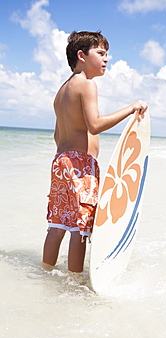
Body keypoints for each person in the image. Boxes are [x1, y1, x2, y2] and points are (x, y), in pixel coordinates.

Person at [42, 31, 148, 273]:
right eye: (100, 53)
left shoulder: (61, 92)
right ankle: (75, 282)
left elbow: (57, 136)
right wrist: (131, 109)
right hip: (80, 166)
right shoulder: (87, 84)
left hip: (60, 162)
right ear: (81, 55)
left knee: (57, 224)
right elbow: (95, 124)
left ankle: (44, 273)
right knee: (80, 229)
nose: (106, 59)